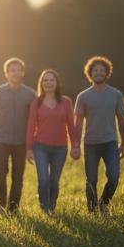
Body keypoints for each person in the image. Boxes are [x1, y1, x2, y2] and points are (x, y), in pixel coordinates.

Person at [73, 56, 124, 215]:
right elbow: (78, 123)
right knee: (91, 180)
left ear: (107, 73)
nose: (98, 73)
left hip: (110, 143)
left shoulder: (116, 94)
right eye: (95, 70)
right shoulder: (83, 96)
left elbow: (121, 120)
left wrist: (123, 143)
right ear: (90, 73)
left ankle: (103, 203)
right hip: (90, 144)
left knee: (114, 177)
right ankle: (92, 212)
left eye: (102, 70)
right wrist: (76, 145)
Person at [25, 68, 78, 213]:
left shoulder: (66, 102)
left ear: (57, 83)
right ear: (41, 83)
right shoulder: (36, 103)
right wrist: (29, 148)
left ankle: (52, 207)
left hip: (60, 148)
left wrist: (75, 145)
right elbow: (30, 127)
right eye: (45, 80)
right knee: (43, 179)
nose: (48, 83)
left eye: (51, 80)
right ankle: (45, 209)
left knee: (54, 180)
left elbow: (71, 125)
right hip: (40, 147)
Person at [0, 57, 36, 213]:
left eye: (19, 70)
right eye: (12, 70)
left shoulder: (30, 94)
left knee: (18, 177)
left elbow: (34, 120)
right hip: (1, 141)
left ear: (23, 73)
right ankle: (0, 207)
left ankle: (13, 208)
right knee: (0, 175)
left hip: (21, 143)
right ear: (6, 73)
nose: (16, 73)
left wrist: (32, 144)